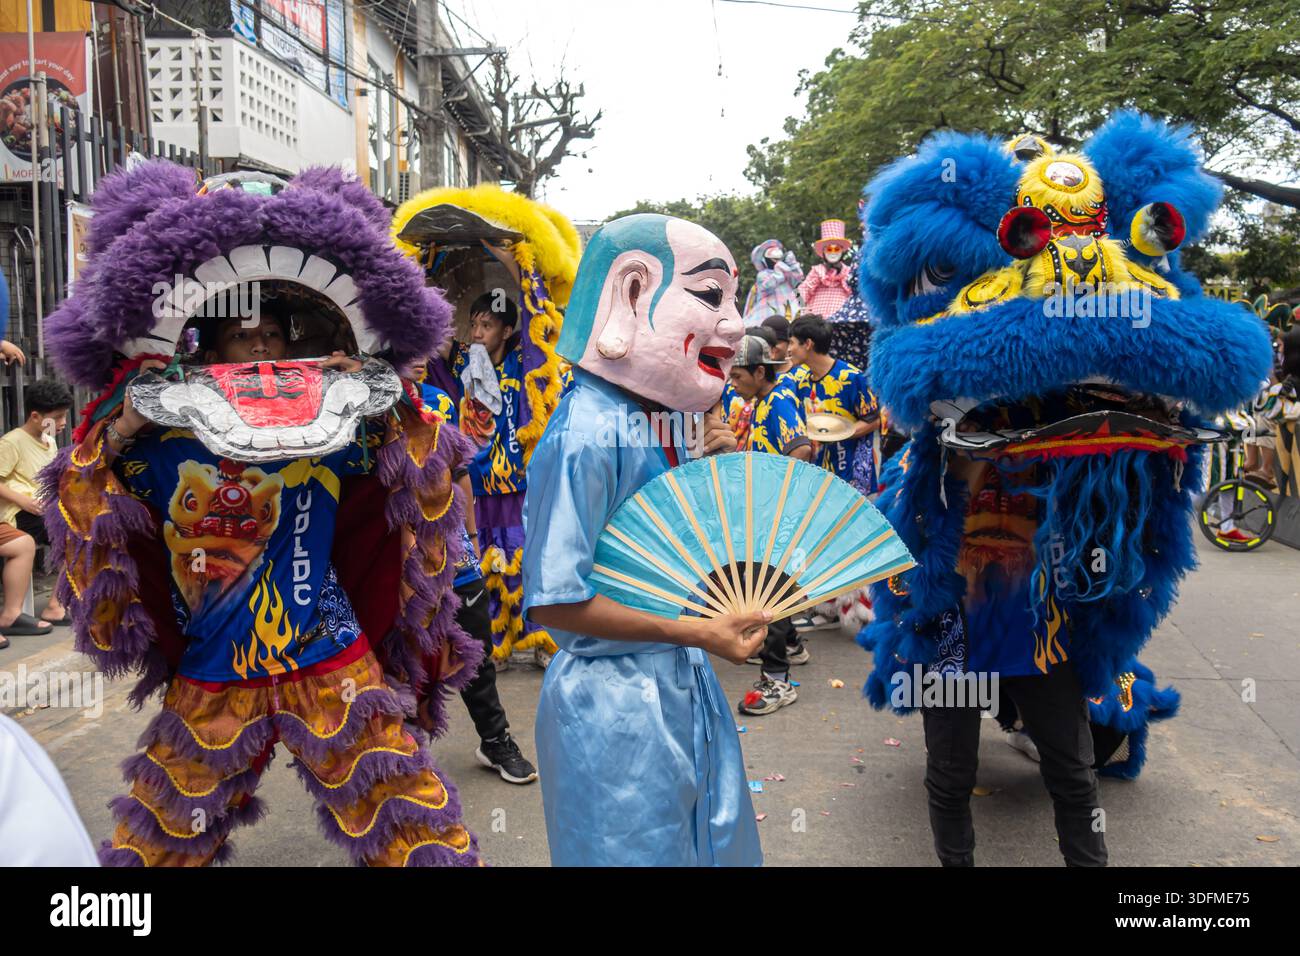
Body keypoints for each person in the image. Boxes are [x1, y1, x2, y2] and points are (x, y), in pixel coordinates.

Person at [42, 161, 481, 866]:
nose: (262, 350)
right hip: (218, 668)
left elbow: (429, 459)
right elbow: (78, 497)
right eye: (245, 340)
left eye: (274, 338)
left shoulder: (334, 428)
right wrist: (123, 428)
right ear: (208, 352)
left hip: (331, 658)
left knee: (415, 828)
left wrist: (376, 390)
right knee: (155, 846)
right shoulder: (163, 444)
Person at [523, 213, 766, 866]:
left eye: (734, 299)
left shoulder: (652, 422)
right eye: (711, 295)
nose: (735, 323)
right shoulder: (587, 433)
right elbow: (555, 604)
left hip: (680, 690)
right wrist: (697, 633)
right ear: (631, 292)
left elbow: (675, 561)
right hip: (614, 716)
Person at [415, 360, 538, 784]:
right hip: (396, 552)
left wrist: (469, 536)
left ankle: (495, 739)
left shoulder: (441, 403)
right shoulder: (369, 407)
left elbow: (460, 474)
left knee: (474, 644)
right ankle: (405, 751)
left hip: (451, 546)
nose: (420, 356)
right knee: (403, 654)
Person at [450, 293, 555, 667]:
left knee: (527, 562)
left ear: (507, 331)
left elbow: (542, 323)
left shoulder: (522, 362)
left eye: (487, 325)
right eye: (474, 325)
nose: (477, 333)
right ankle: (496, 644)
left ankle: (544, 639)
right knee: (488, 564)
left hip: (520, 486)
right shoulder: (464, 362)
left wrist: (518, 262)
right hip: (479, 487)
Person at [726, 334, 813, 713]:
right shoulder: (758, 403)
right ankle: (785, 648)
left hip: (778, 519)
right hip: (762, 517)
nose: (733, 383)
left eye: (738, 376)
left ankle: (778, 681)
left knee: (771, 599)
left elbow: (802, 450)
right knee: (765, 593)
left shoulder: (777, 402)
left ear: (760, 372)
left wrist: (779, 505)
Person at [0, 378, 74, 628]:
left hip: (41, 511)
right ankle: (43, 607)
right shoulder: (12, 442)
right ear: (34, 416)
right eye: (58, 417)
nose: (63, 423)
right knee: (75, 533)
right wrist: (24, 500)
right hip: (19, 513)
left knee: (82, 533)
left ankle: (56, 604)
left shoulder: (50, 441)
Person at [787, 314, 881, 495]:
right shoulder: (800, 380)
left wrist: (839, 432)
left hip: (850, 475)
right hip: (817, 475)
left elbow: (874, 420)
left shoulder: (851, 377)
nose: (788, 349)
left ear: (808, 344)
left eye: (792, 343)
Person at [798, 219, 854, 317]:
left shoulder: (848, 272)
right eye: (829, 249)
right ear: (824, 252)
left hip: (841, 318)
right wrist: (802, 314)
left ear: (842, 252)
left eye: (836, 249)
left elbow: (855, 294)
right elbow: (801, 294)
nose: (833, 252)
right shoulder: (817, 271)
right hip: (816, 319)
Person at [742, 239, 803, 326]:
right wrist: (779, 271)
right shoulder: (763, 275)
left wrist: (792, 265)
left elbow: (798, 284)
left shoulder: (787, 273)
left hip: (790, 309)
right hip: (769, 312)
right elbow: (766, 287)